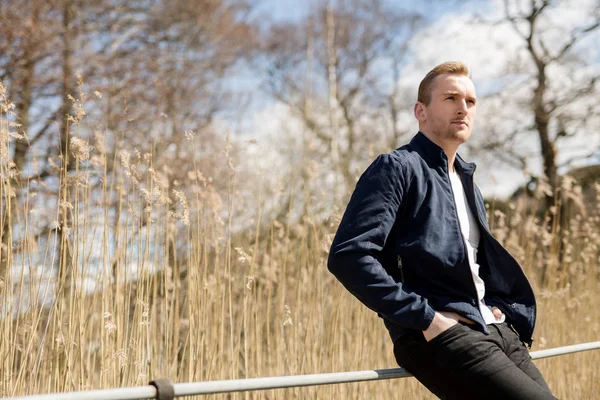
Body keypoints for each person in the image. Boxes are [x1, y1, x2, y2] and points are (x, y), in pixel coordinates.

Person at [327, 61, 557, 399]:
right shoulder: (397, 168)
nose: (463, 108)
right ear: (420, 111)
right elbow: (348, 256)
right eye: (451, 98)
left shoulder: (468, 183)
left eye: (471, 101)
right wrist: (426, 318)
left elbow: (473, 264)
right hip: (439, 334)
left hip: (497, 329)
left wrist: (496, 306)